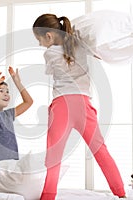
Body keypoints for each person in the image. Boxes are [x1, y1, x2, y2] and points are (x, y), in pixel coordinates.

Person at [32, 14, 126, 199]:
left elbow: (51, 70)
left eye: (39, 39)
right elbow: (96, 52)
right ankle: (121, 193)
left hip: (61, 106)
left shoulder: (49, 53)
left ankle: (48, 196)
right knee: (101, 151)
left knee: (54, 156)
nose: (40, 44)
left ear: (49, 36)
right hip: (83, 105)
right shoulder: (82, 46)